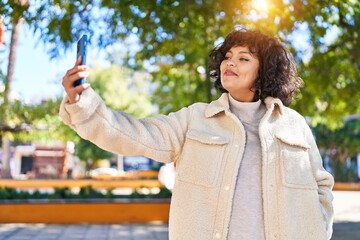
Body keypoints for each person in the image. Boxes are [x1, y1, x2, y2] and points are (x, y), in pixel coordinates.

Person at [60, 28, 334, 240]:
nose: (230, 63)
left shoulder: (293, 124)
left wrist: (320, 229)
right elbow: (133, 134)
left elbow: (321, 185)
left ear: (265, 71)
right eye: (227, 57)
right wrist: (82, 103)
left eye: (243, 58)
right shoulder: (195, 119)